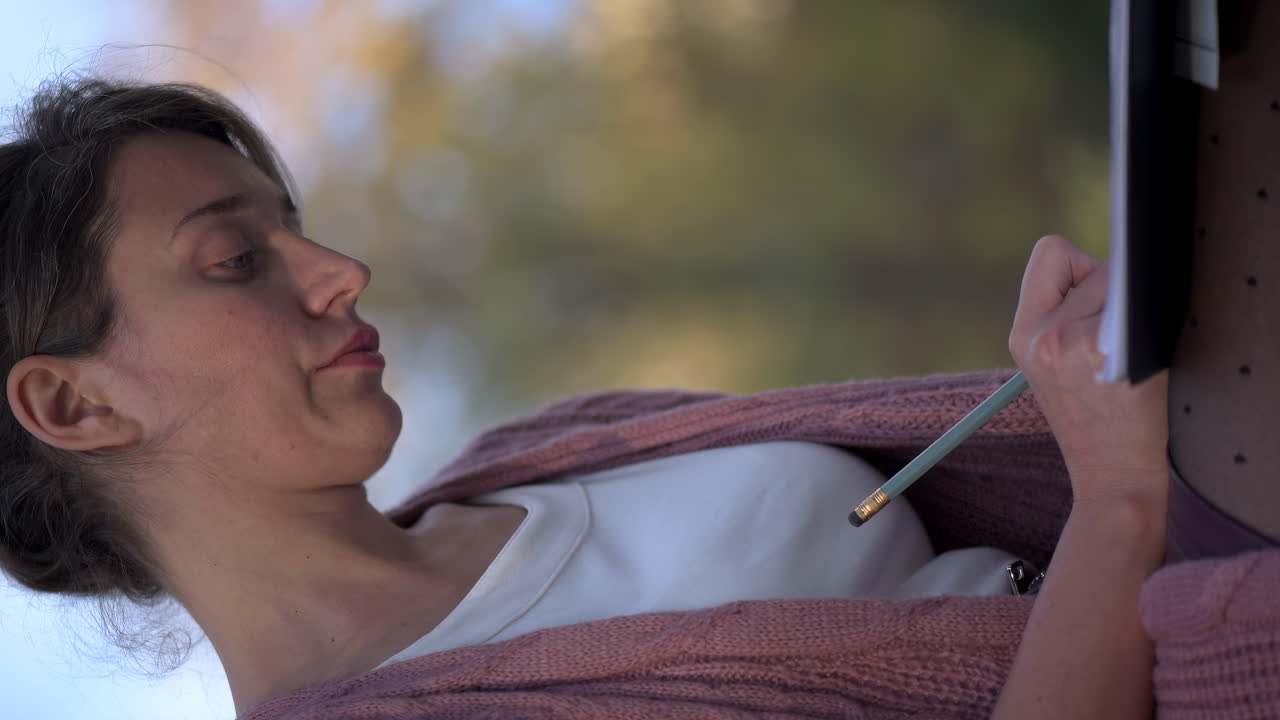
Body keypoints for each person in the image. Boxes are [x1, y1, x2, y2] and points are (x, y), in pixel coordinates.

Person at [0, 77, 1170, 718]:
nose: (341, 271)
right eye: (233, 260)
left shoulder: (548, 447)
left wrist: (1113, 375)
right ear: (73, 406)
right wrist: (1119, 500)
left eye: (293, 230)